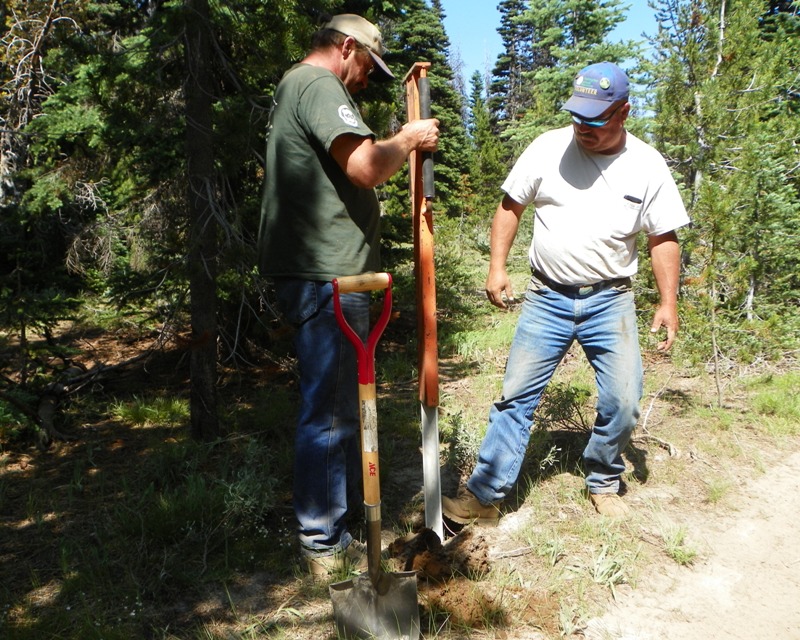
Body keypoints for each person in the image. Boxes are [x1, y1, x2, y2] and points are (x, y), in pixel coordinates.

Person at [442, 62, 690, 523]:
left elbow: (663, 238)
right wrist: (497, 267)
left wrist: (668, 302)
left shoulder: (647, 164)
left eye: (595, 120)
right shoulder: (547, 148)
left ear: (624, 112)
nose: (583, 128)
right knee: (516, 397)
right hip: (547, 298)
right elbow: (510, 206)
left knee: (623, 398)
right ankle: (485, 498)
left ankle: (602, 479)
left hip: (609, 300)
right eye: (578, 116)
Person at [257, 14, 439, 576]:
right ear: (346, 47)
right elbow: (363, 167)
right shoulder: (318, 84)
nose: (365, 80)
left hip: (327, 272)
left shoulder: (299, 86)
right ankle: (323, 541)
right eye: (365, 66)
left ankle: (336, 521)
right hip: (326, 274)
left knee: (335, 401)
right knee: (331, 409)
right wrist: (407, 139)